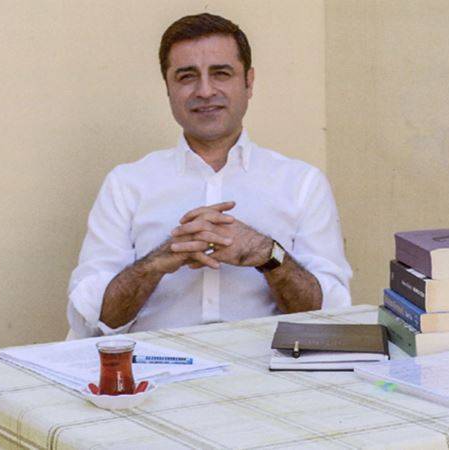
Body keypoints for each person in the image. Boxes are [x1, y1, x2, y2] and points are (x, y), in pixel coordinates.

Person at [66, 13, 352, 339]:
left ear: (249, 82)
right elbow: (89, 321)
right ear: (168, 88)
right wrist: (158, 261)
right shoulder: (126, 185)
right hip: (152, 362)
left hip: (266, 363)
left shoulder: (303, 184)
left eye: (221, 73)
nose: (204, 90)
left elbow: (332, 317)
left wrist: (267, 254)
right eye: (187, 76)